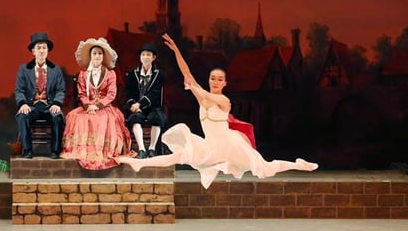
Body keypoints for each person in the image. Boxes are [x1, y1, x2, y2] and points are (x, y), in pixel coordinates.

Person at [117, 33, 318, 189]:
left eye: (220, 79)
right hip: (210, 146)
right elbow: (186, 72)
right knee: (179, 156)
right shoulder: (202, 97)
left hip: (230, 146)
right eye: (213, 78)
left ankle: (299, 165)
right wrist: (176, 50)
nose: (215, 81)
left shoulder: (223, 101)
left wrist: (193, 87)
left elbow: (205, 94)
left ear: (224, 83)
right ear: (209, 80)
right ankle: (140, 164)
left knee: (265, 168)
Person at [61, 37, 131, 170]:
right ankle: (84, 151)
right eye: (94, 53)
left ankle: (104, 151)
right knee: (78, 118)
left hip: (105, 106)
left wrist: (98, 106)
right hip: (88, 106)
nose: (97, 56)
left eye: (100, 53)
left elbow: (111, 94)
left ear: (103, 56)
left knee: (105, 119)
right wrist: (89, 106)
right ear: (90, 56)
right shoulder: (83, 74)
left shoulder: (110, 74)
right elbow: (82, 94)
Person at [15, 32, 66, 159]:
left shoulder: (56, 70)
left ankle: (55, 151)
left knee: (58, 117)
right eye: (39, 48)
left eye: (44, 48)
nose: (42, 51)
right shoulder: (24, 69)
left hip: (49, 106)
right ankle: (27, 150)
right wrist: (23, 103)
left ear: (48, 50)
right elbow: (19, 90)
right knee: (22, 116)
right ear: (33, 51)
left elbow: (60, 90)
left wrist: (56, 103)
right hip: (32, 106)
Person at [124, 43, 167, 159]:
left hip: (153, 106)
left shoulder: (159, 74)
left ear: (153, 58)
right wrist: (133, 105)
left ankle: (152, 148)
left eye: (148, 55)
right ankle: (142, 149)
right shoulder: (132, 74)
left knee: (157, 118)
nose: (145, 57)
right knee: (135, 118)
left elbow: (155, 93)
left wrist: (140, 104)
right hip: (136, 107)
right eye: (143, 55)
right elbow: (127, 93)